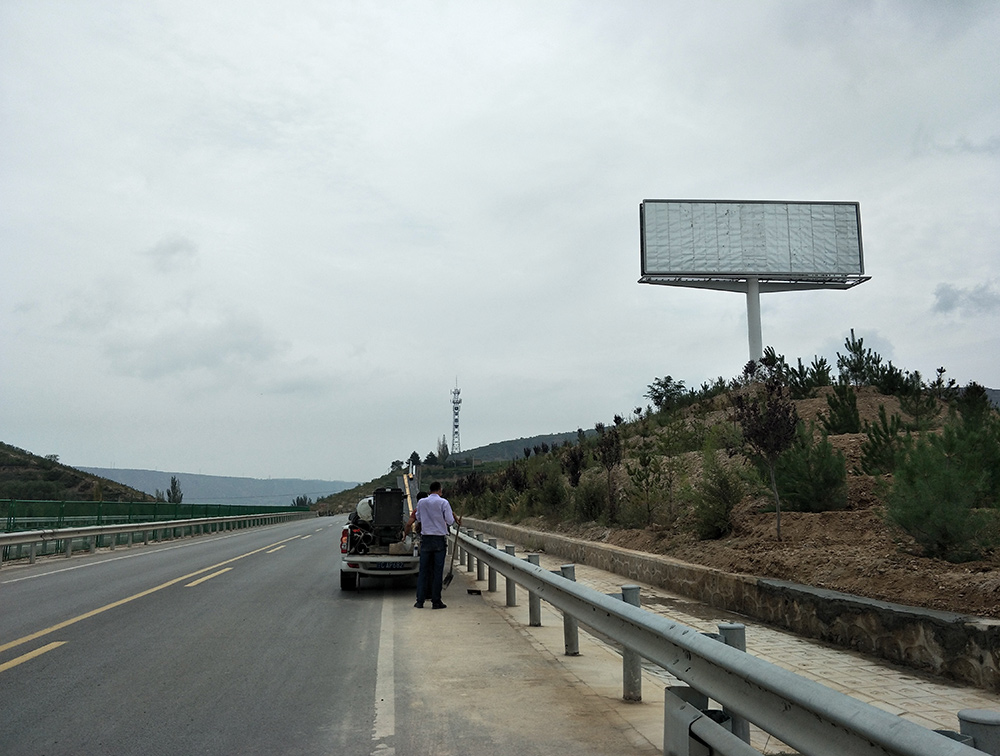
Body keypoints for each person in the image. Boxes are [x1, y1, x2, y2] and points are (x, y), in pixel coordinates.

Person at [411, 481, 460, 609]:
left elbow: (419, 518)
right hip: (438, 540)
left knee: (423, 571)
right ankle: (436, 601)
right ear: (439, 490)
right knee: (437, 572)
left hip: (425, 539)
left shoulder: (421, 502)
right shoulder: (443, 502)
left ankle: (419, 601)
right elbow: (449, 521)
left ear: (429, 490)